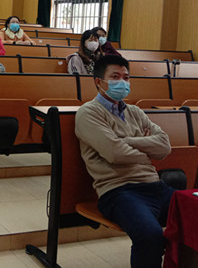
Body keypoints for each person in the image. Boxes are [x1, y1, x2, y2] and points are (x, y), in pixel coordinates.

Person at [75, 55, 173, 268]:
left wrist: (126, 141)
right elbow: (115, 154)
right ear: (99, 81)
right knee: (150, 236)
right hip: (118, 191)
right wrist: (146, 149)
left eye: (126, 78)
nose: (122, 82)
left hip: (155, 186)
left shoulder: (135, 112)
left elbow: (164, 147)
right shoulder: (88, 113)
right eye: (115, 77)